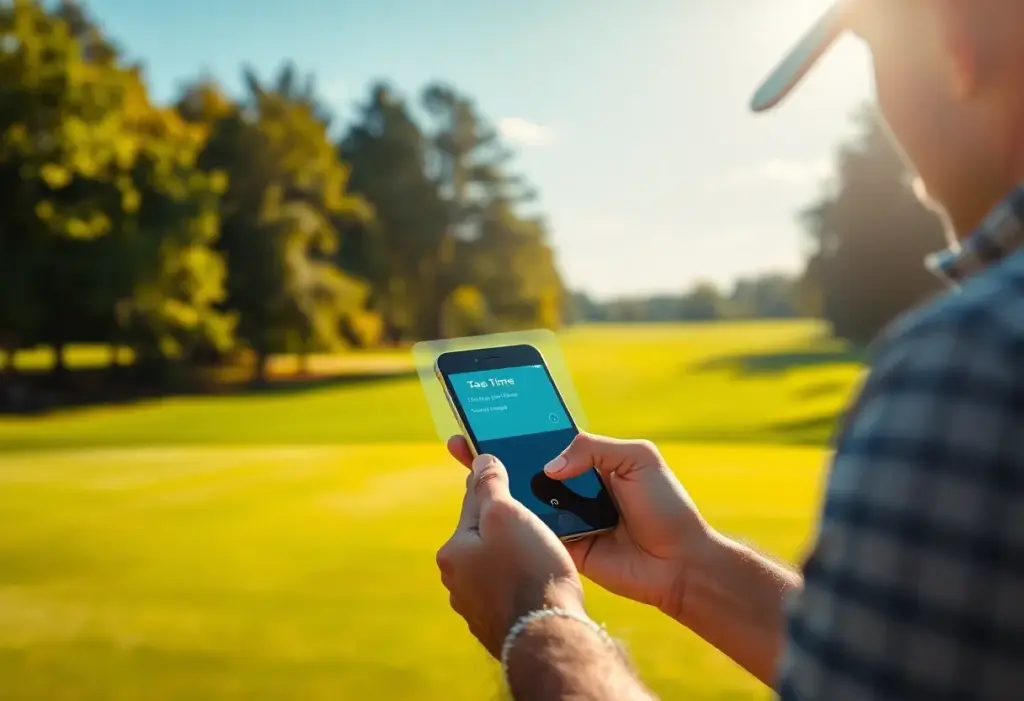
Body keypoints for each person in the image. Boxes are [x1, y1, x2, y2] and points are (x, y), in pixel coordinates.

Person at [435, 0, 1024, 698]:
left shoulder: (974, 363)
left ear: (958, 45)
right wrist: (691, 565)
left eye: (874, 48)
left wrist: (535, 615)